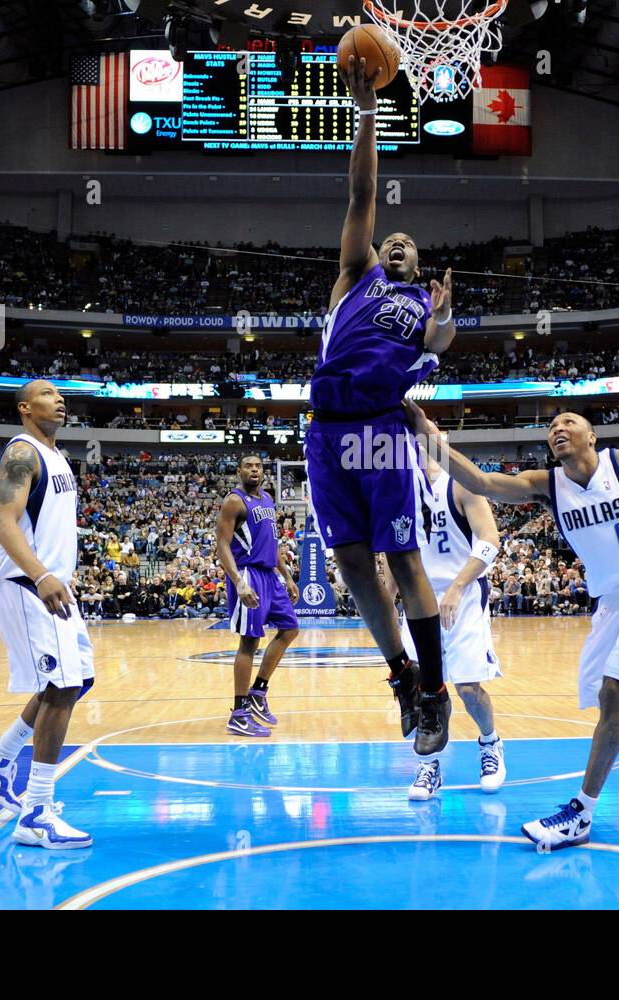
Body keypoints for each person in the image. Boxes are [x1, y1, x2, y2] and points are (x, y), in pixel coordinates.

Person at [406, 403, 619, 851]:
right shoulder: (547, 484)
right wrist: (428, 432)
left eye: (569, 422)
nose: (559, 429)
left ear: (592, 436)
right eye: (552, 427)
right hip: (612, 600)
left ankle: (581, 814)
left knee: (614, 693)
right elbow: (482, 482)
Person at [303, 54, 456, 755]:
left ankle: (435, 689)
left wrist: (445, 323)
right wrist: (368, 113)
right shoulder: (353, 276)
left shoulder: (425, 305)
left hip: (382, 429)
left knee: (404, 562)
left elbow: (441, 346)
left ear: (419, 267)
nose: (397, 241)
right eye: (391, 239)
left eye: (409, 244)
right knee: (355, 566)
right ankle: (400, 677)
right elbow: (363, 194)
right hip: (327, 431)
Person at [0, 380, 96, 848]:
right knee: (61, 686)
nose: (59, 398)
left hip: (47, 585)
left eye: (61, 393)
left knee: (77, 680)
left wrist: (56, 573)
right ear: (25, 408)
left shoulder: (57, 456)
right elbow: (3, 524)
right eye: (46, 393)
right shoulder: (22, 453)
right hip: (25, 584)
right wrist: (42, 575)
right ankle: (35, 812)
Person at [387, 452, 506, 801]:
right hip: (419, 596)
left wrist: (456, 587)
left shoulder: (460, 483)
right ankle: (430, 764)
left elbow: (490, 540)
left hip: (464, 593)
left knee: (468, 688)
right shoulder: (400, 492)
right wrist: (387, 601)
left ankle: (490, 743)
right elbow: (393, 551)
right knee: (423, 688)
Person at [215, 455, 301, 738]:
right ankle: (239, 714)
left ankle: (258, 692)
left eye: (259, 466)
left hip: (269, 575)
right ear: (239, 471)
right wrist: (238, 581)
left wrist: (286, 576)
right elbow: (222, 545)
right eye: (248, 466)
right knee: (249, 642)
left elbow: (272, 543)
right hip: (248, 575)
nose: (254, 469)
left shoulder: (267, 500)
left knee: (290, 629)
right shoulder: (234, 501)